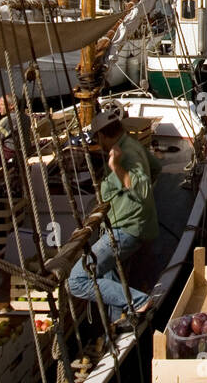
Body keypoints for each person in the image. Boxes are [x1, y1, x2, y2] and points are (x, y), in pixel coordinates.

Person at [67, 103, 161, 327]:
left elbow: (143, 190)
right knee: (106, 270)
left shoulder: (124, 154)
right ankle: (118, 319)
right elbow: (156, 167)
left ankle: (138, 301)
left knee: (77, 280)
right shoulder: (132, 144)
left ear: (101, 135)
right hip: (136, 224)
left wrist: (116, 166)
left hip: (127, 230)